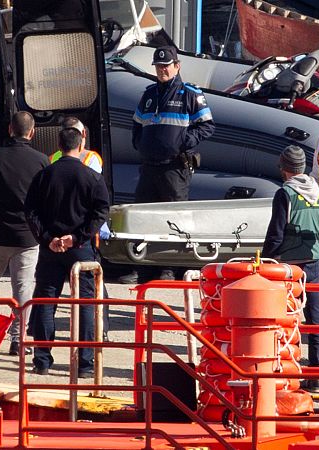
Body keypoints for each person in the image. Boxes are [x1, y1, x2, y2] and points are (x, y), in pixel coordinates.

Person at [122, 45, 215, 284]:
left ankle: (169, 268)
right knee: (142, 217)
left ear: (177, 66)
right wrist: (139, 144)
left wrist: (184, 141)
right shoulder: (149, 94)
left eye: (166, 66)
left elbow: (207, 126)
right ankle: (142, 268)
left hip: (174, 168)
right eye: (158, 66)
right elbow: (136, 124)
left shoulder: (189, 94)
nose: (162, 70)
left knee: (173, 219)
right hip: (149, 166)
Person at [24, 127, 110, 377]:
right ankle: (85, 364)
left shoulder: (44, 175)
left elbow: (31, 211)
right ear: (81, 145)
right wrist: (77, 237)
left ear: (59, 146)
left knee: (46, 301)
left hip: (50, 249)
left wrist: (47, 238)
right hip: (80, 250)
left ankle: (42, 360)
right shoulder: (91, 177)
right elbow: (100, 212)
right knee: (84, 304)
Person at [0, 111, 49, 356]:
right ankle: (19, 340)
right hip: (28, 236)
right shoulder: (42, 161)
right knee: (23, 287)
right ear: (32, 132)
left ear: (9, 130)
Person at [262, 145, 319, 393]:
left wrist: (265, 261)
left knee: (284, 318)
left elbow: (276, 233)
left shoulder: (285, 194)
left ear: (284, 168)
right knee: (315, 318)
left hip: (288, 267)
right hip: (313, 263)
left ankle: (287, 370)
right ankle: (317, 374)